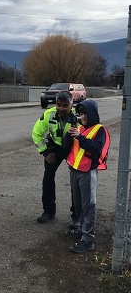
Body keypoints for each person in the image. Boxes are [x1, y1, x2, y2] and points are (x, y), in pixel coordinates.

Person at [62, 100, 110, 253]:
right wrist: (69, 136)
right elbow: (65, 147)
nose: (82, 116)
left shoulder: (100, 130)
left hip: (88, 172)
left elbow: (96, 148)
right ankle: (82, 229)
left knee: (88, 205)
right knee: (78, 204)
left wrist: (80, 137)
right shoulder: (79, 128)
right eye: (81, 113)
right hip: (74, 170)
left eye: (85, 113)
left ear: (92, 114)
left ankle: (88, 240)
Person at [32, 90, 77, 223]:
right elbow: (36, 133)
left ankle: (76, 215)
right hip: (55, 147)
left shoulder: (78, 116)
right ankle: (48, 211)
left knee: (77, 181)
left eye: (65, 105)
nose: (61, 108)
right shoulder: (49, 114)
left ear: (71, 105)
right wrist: (45, 153)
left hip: (73, 147)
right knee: (48, 178)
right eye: (58, 105)